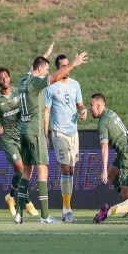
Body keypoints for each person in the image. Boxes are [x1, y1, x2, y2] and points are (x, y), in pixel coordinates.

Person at [14, 48, 88, 224]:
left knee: (26, 171)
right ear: (40, 70)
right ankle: (45, 215)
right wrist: (73, 64)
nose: (48, 73)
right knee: (43, 170)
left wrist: (44, 57)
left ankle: (18, 213)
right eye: (46, 70)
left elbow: (35, 67)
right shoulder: (36, 83)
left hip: (23, 131)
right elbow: (54, 78)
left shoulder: (23, 80)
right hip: (36, 130)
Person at [0, 67, 39, 217]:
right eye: (1, 78)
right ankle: (28, 204)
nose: (4, 80)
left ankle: (10, 197)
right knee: (21, 169)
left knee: (22, 172)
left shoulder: (18, 92)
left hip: (22, 136)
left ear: (10, 78)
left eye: (6, 77)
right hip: (8, 139)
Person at [44, 54, 87, 223]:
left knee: (71, 170)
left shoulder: (75, 85)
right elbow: (47, 110)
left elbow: (80, 104)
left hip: (73, 133)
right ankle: (67, 210)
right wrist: (46, 132)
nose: (66, 68)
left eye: (67, 65)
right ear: (57, 68)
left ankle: (66, 210)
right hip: (59, 132)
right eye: (63, 66)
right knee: (64, 168)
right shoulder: (51, 86)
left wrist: (83, 110)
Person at [89, 93, 128, 200]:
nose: (90, 108)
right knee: (112, 174)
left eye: (91, 105)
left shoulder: (103, 122)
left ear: (98, 106)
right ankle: (127, 203)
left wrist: (103, 169)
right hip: (126, 152)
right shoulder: (110, 113)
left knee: (127, 196)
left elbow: (104, 147)